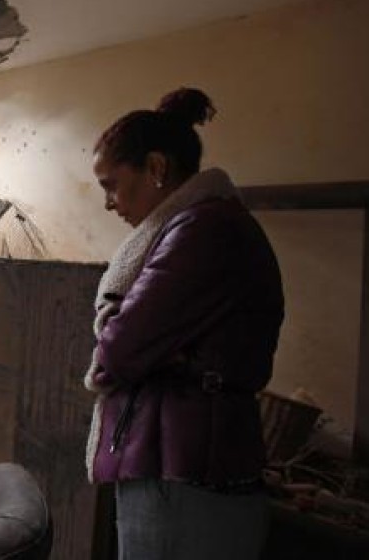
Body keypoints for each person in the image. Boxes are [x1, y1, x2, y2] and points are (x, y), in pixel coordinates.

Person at [84, 87, 284, 559]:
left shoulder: (202, 230)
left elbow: (118, 349)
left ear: (155, 168)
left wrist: (133, 340)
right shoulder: (204, 226)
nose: (110, 203)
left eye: (111, 184)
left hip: (182, 472)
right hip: (187, 460)